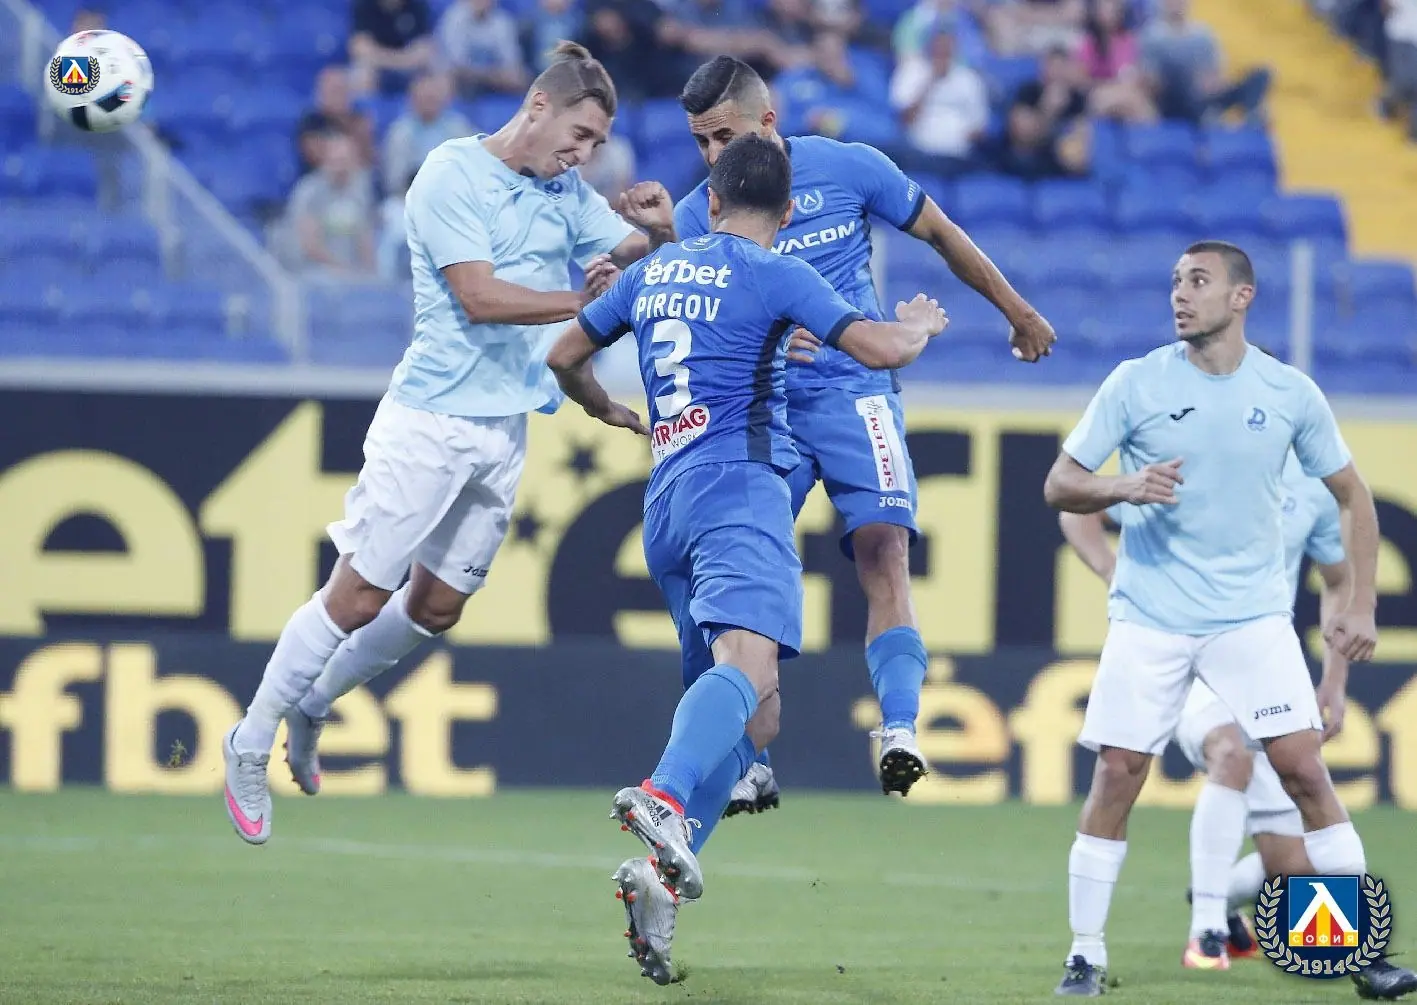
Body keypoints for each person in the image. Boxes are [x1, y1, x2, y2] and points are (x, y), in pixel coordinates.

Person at [221, 42, 675, 845]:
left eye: (598, 143)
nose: (585, 153)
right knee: (358, 596)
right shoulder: (449, 174)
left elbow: (623, 254)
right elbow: (478, 297)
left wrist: (656, 230)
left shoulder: (565, 192)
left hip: (503, 428)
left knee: (436, 606)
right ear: (538, 107)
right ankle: (249, 740)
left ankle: (316, 701)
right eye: (580, 134)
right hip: (430, 420)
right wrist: (583, 297)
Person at [545, 132, 948, 984]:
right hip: (741, 491)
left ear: (714, 200)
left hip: (665, 503)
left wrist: (604, 408)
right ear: (788, 211)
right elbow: (876, 351)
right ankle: (661, 797)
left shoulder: (657, 270)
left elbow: (562, 355)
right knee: (745, 666)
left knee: (755, 717)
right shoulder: (776, 272)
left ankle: (658, 883)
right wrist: (914, 327)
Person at [660, 55, 1056, 817]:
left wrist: (1018, 311)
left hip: (855, 394)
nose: (711, 156)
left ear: (767, 121)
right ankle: (745, 756)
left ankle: (899, 727)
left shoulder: (848, 167)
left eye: (722, 137)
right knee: (736, 581)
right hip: (762, 409)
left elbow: (941, 233)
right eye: (700, 142)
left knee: (885, 548)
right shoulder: (697, 213)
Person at [1043, 241, 1388, 997]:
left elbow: (1353, 495)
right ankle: (1085, 954)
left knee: (1304, 770)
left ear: (1241, 296)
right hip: (1151, 618)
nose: (1179, 293)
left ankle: (1361, 953)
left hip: (1251, 620)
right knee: (1117, 773)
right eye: (1174, 281)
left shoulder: (1289, 392)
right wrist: (1125, 486)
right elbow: (1060, 485)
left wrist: (1361, 601)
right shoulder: (1135, 382)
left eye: (1197, 281)